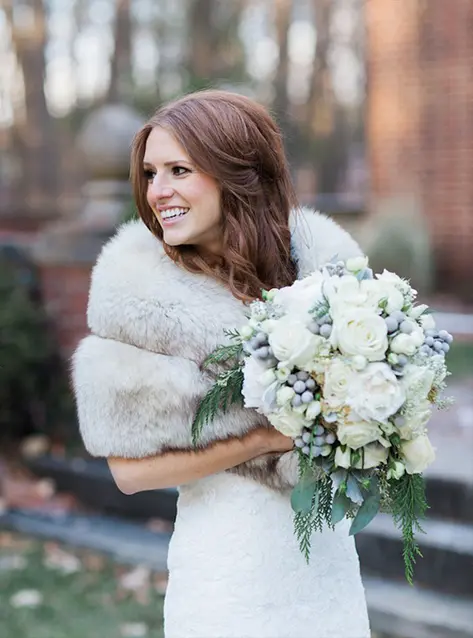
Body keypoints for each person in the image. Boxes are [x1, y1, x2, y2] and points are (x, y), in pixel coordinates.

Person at [72, 89, 371, 638]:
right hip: (228, 569)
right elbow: (129, 472)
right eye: (151, 173)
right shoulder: (140, 298)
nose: (158, 192)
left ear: (237, 172)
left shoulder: (324, 273)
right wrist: (260, 441)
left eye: (179, 170)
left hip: (326, 566)